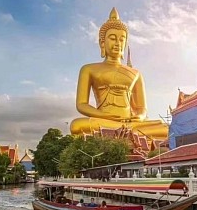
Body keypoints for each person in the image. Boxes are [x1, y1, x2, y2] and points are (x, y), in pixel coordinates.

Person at [70, 8, 168, 139]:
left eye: (122, 39)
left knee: (164, 128)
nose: (118, 43)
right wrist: (104, 116)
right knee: (77, 125)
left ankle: (123, 133)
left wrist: (139, 117)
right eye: (112, 38)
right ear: (102, 43)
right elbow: (81, 104)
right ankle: (127, 134)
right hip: (104, 121)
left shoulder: (136, 73)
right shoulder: (88, 69)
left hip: (130, 122)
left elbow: (142, 108)